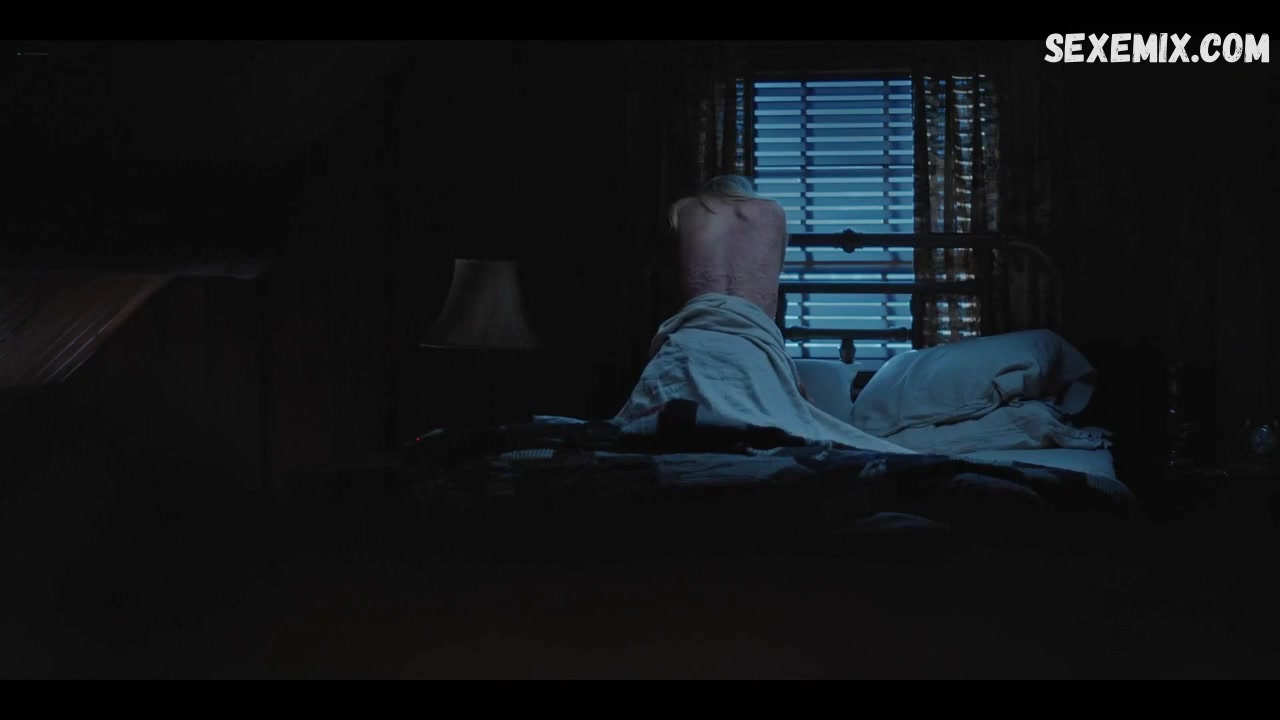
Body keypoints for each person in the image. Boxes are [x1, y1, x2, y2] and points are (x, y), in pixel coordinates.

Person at [667, 175, 789, 321]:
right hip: (755, 328)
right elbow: (776, 270)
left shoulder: (684, 209)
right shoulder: (773, 211)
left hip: (695, 325)